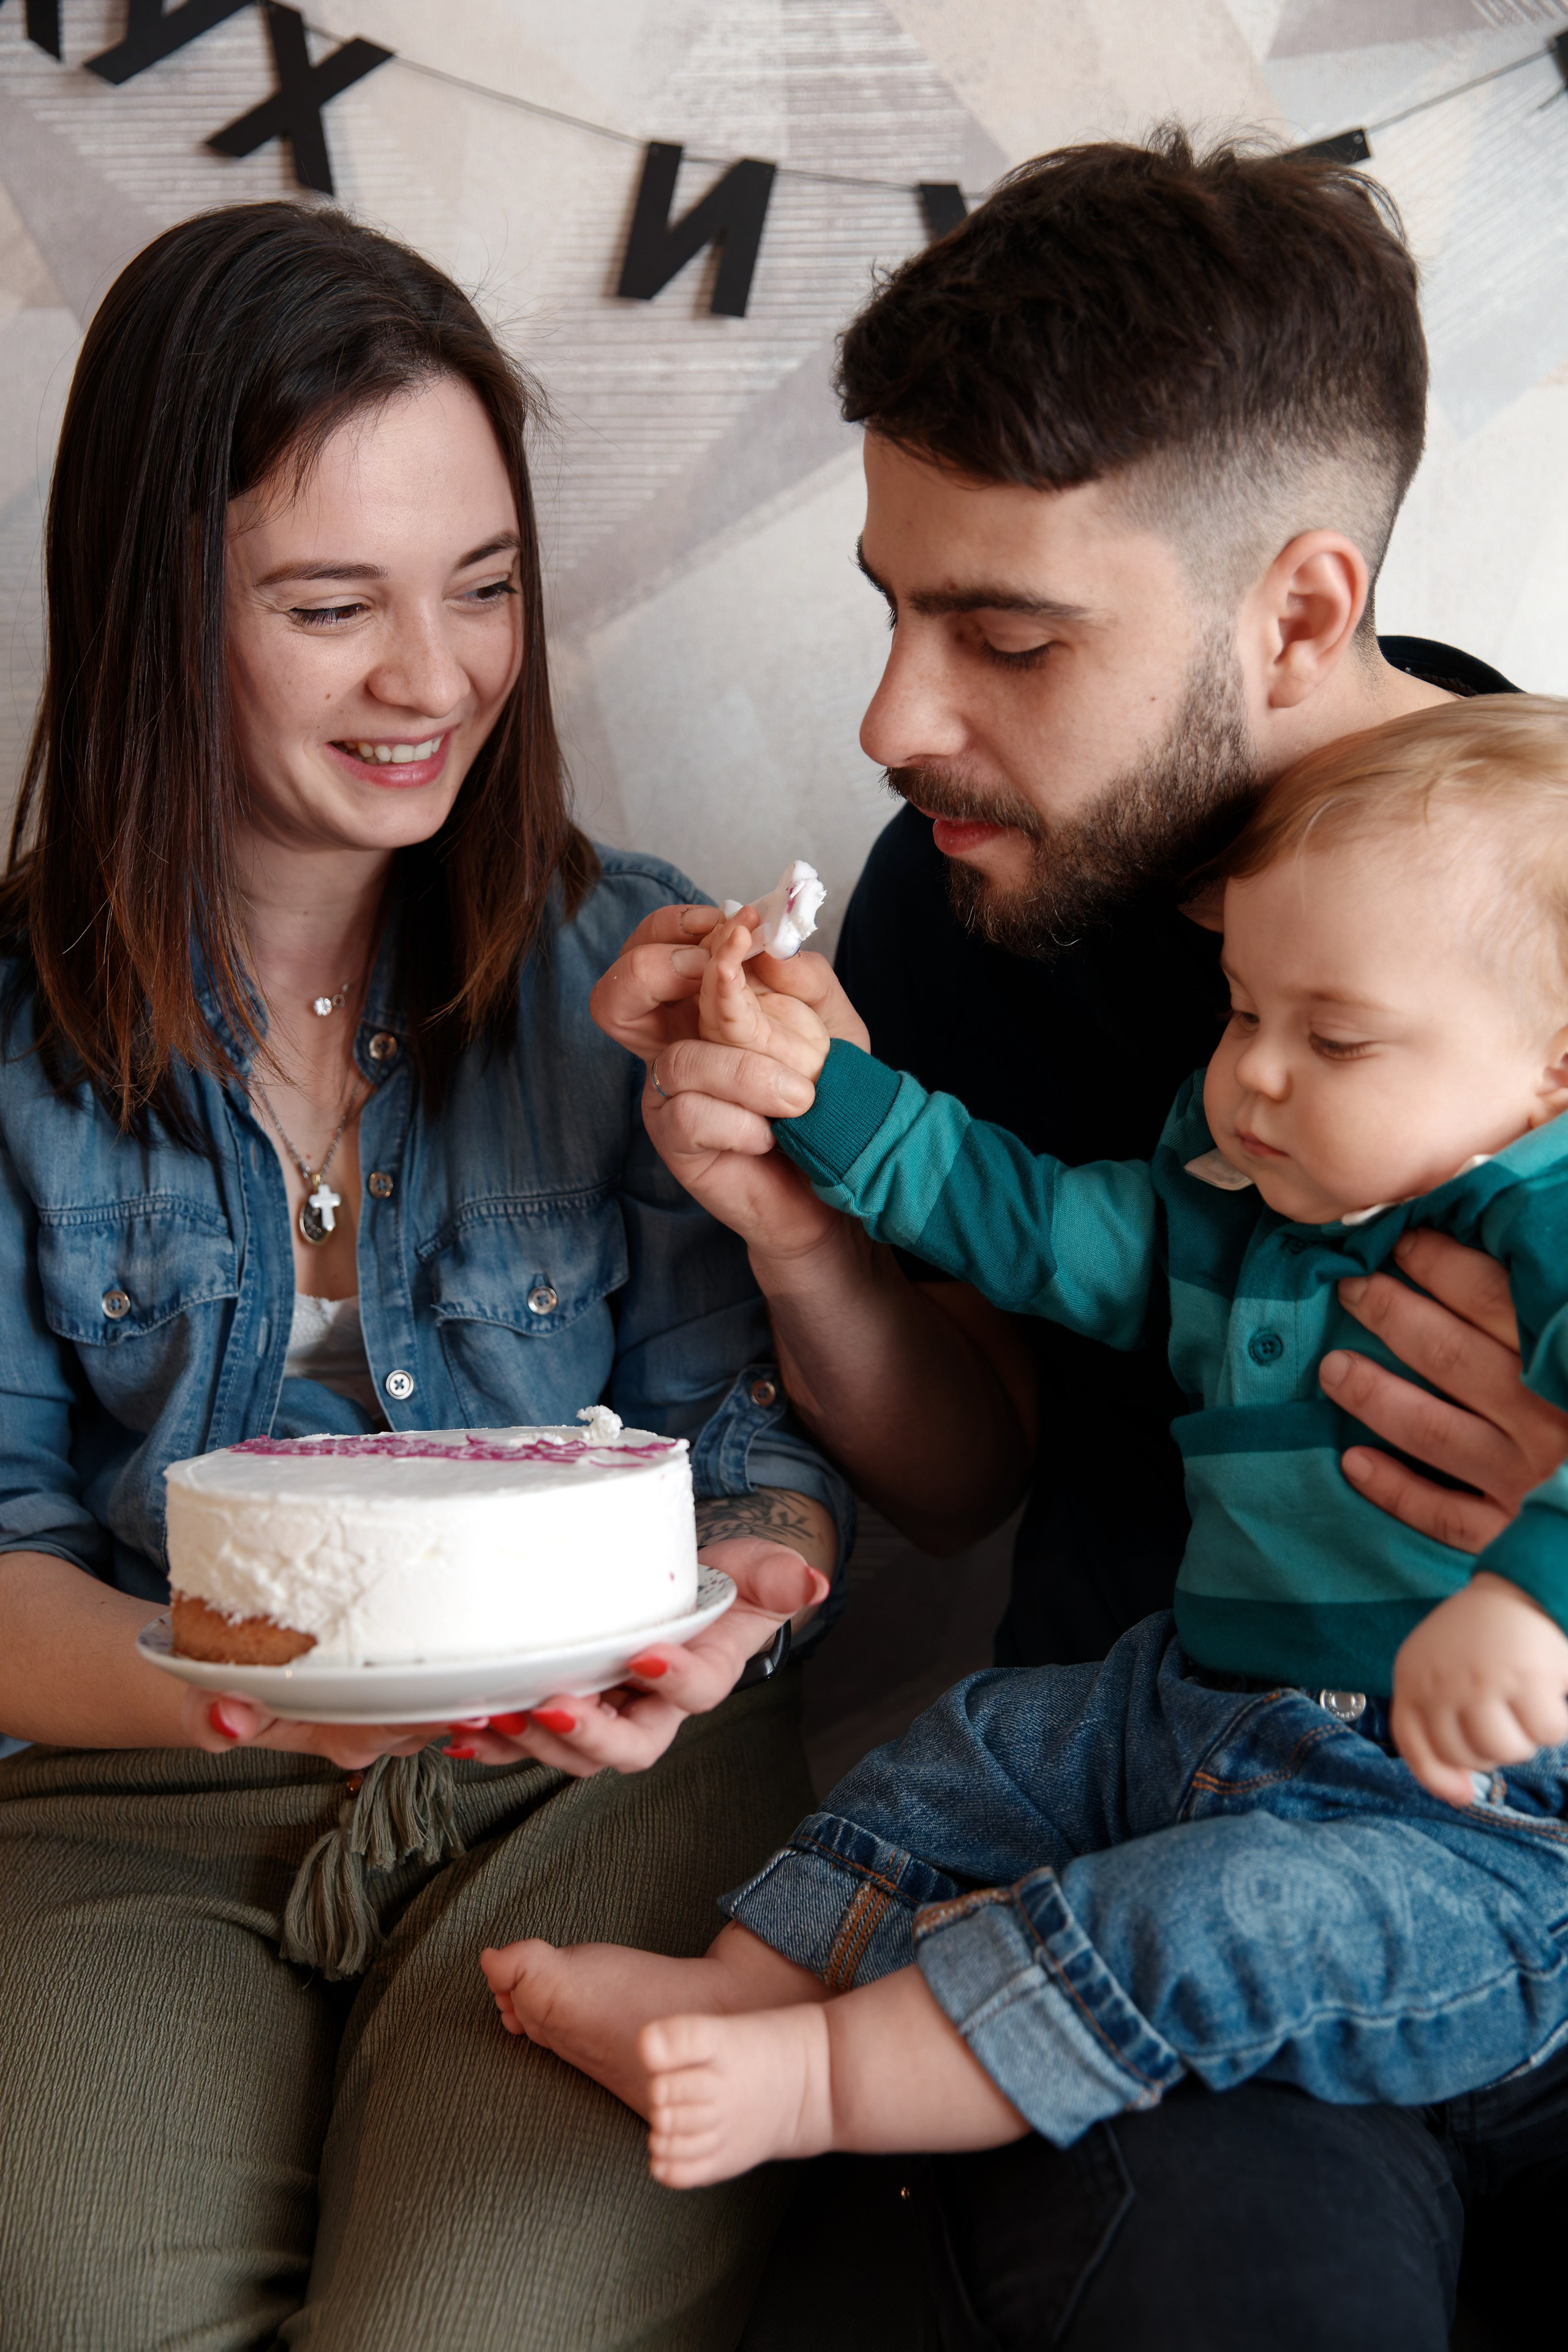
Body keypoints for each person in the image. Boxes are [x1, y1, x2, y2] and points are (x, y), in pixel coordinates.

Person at [587, 135, 1568, 2346]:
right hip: (1170, 1862)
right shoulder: (960, 882)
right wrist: (796, 1206)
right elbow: (967, 1464)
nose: (895, 717)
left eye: (1006, 636)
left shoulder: (1550, 888)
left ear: (1301, 610)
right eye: (892, 604)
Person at [0, 201, 851, 2352]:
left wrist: (736, 1611)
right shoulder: (14, 1031)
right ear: (146, 607)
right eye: (327, 605)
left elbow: (748, 1448)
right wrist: (263, 1690)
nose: (434, 679)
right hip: (139, 1799)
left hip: (592, 1792)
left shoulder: (615, 963)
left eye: (484, 592)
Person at [483, 695, 1568, 2195]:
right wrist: (819, 1093)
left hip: (1456, 1837)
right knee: (971, 1743)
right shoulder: (1238, 1190)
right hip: (1184, 1706)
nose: (1252, 1076)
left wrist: (1523, 1602)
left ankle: (821, 2080)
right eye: (1243, 1011)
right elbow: (1028, 1218)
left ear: (1551, 1074)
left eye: (1333, 1038)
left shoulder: (1541, 1224)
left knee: (1210, 1915)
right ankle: (749, 1980)